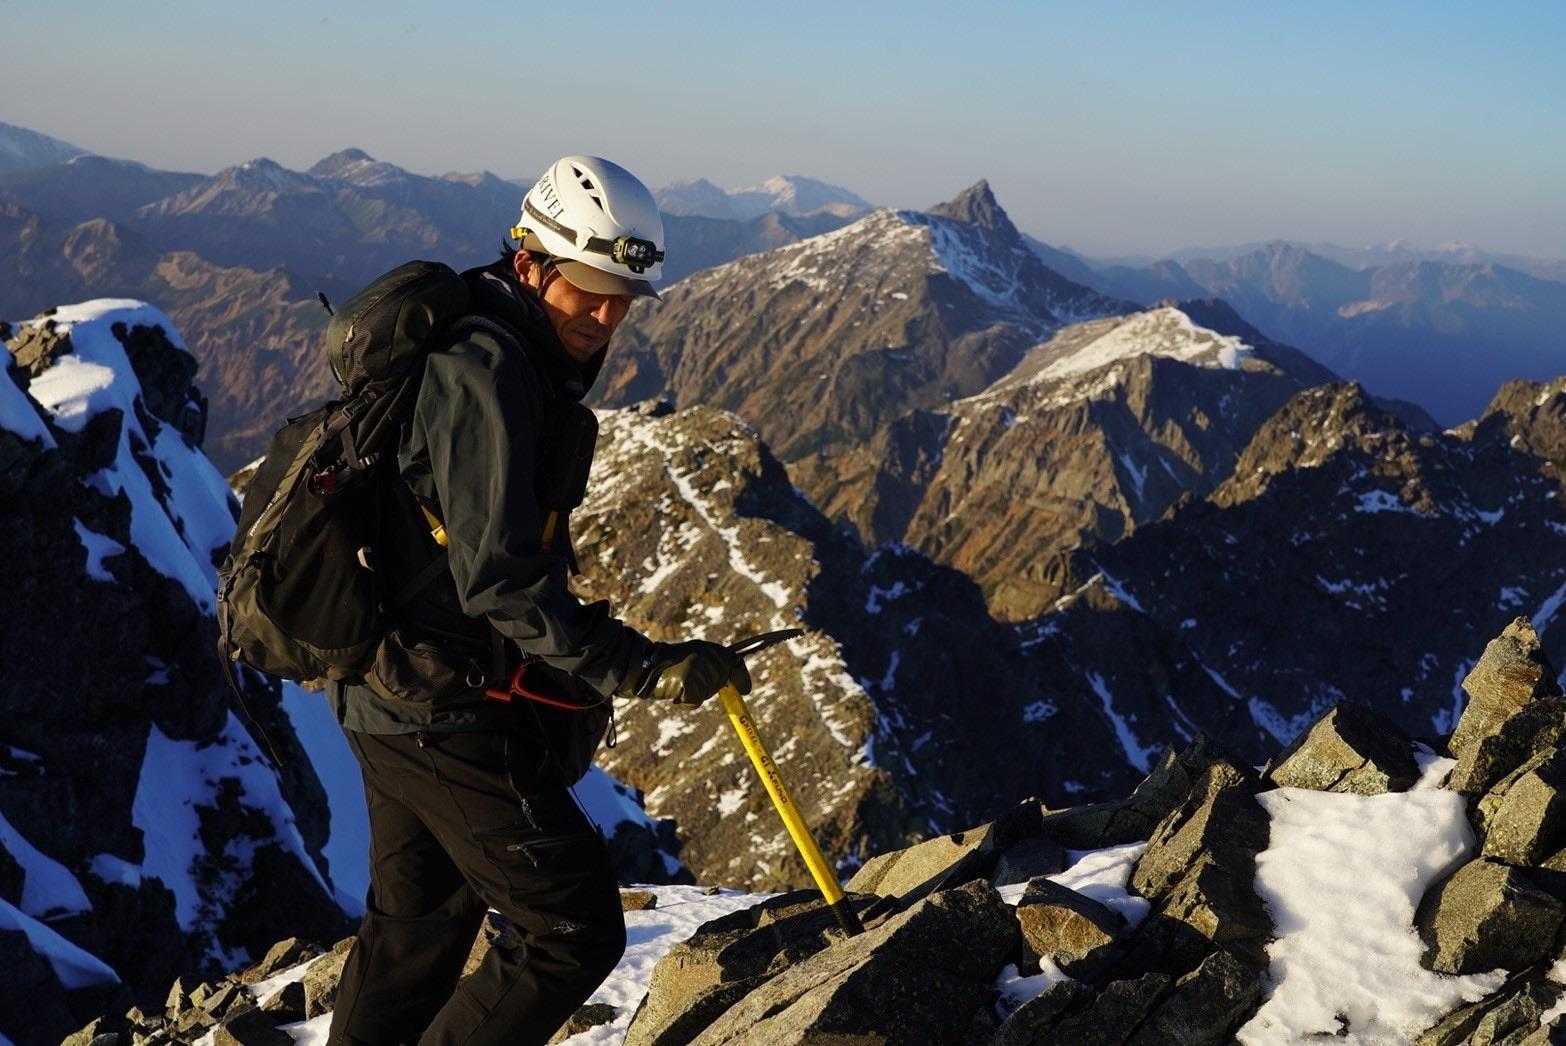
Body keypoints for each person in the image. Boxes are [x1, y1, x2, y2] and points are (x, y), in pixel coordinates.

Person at [326, 156, 752, 1046]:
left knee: (416, 932)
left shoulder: (502, 348)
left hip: (391, 688)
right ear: (530, 263)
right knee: (571, 929)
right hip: (437, 704)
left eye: (623, 300)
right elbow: (501, 581)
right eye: (590, 293)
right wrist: (642, 668)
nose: (606, 319)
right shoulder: (486, 372)